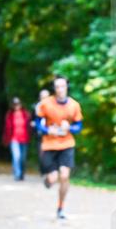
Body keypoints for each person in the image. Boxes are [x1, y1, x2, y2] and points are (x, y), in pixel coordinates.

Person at [35, 77, 83, 220]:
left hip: (66, 144)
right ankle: (48, 180)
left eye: (62, 86)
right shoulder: (45, 104)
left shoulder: (74, 105)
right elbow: (38, 124)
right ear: (54, 88)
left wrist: (70, 128)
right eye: (57, 87)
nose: (60, 89)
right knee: (53, 178)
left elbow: (78, 126)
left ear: (66, 87)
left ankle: (61, 207)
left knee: (64, 175)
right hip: (49, 144)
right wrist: (47, 130)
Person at [3, 96, 31, 181]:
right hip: (14, 139)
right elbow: (6, 128)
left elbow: (30, 126)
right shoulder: (9, 115)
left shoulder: (26, 114)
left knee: (23, 158)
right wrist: (6, 139)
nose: (16, 106)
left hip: (24, 139)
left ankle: (22, 173)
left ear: (21, 104)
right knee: (16, 156)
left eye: (18, 104)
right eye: (14, 104)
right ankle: (17, 174)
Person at [33, 89, 50, 177]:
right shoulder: (37, 107)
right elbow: (34, 120)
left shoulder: (52, 105)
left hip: (51, 133)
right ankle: (43, 170)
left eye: (46, 96)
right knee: (42, 152)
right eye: (43, 96)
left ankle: (51, 170)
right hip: (40, 133)